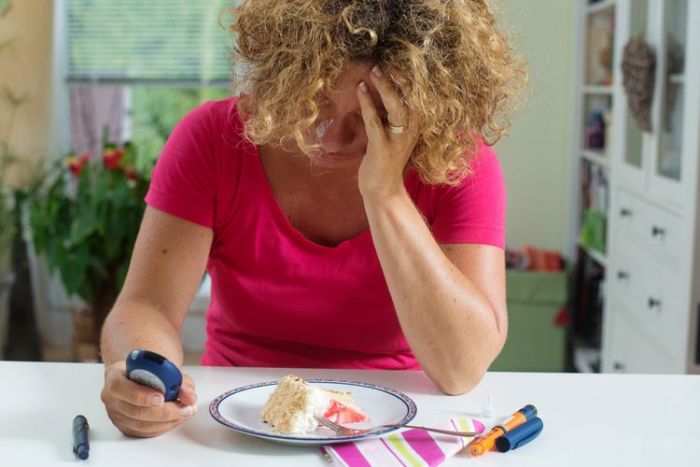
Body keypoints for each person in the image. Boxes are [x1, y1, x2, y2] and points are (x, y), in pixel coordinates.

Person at [100, 0, 525, 437]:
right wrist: (142, 380)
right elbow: (147, 305)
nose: (333, 138)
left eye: (372, 115)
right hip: (239, 412)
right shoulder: (212, 139)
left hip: (398, 419)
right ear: (283, 79)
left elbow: (461, 369)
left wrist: (385, 193)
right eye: (315, 102)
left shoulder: (457, 162)